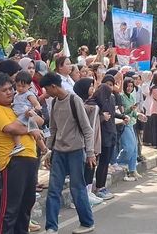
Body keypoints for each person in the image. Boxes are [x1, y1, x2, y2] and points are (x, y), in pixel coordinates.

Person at [40, 72, 96, 234]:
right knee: (53, 190)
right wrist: (49, 151)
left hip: (76, 152)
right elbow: (54, 129)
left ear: (53, 87)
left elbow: (87, 129)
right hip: (58, 152)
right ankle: (51, 227)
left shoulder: (74, 100)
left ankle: (87, 223)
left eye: (46, 89)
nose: (46, 93)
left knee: (77, 188)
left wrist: (90, 152)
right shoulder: (54, 103)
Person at [0, 73, 41, 234]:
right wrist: (32, 130)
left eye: (11, 89)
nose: (10, 92)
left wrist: (32, 126)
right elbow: (11, 128)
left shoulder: (17, 106)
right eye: (4, 90)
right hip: (13, 161)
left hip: (30, 158)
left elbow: (40, 120)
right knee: (10, 208)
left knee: (26, 205)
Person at [73, 78, 103, 206]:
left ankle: (88, 192)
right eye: (90, 86)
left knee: (91, 166)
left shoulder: (91, 102)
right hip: (86, 139)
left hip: (95, 137)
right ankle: (80, 197)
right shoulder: (80, 104)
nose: (92, 88)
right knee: (85, 167)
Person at [11, 71, 46, 156]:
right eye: (18, 86)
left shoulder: (28, 94)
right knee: (33, 131)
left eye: (23, 86)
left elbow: (37, 104)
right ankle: (44, 148)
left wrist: (33, 111)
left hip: (25, 114)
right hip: (20, 115)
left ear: (29, 86)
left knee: (14, 128)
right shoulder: (16, 95)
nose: (20, 88)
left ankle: (18, 145)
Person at [118, 78, 142, 179]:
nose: (129, 88)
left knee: (135, 147)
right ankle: (120, 162)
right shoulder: (121, 97)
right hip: (124, 123)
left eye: (131, 86)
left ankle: (132, 169)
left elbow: (133, 113)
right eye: (128, 86)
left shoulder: (132, 96)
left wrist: (138, 115)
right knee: (129, 147)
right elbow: (123, 112)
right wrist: (130, 109)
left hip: (132, 123)